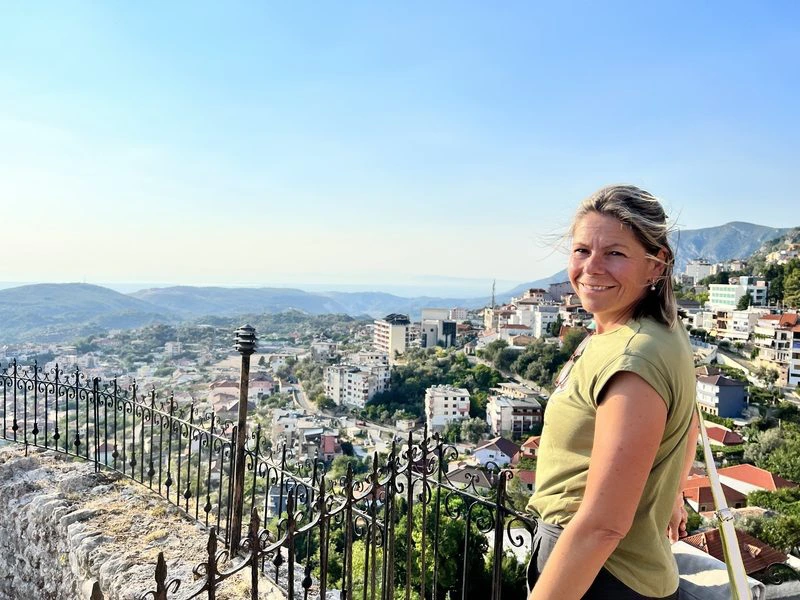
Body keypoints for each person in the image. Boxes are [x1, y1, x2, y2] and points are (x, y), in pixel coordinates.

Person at [526, 185, 699, 599]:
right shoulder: (655, 331)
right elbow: (690, 423)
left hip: (597, 571)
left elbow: (602, 527)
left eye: (615, 253)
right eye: (582, 250)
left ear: (656, 265)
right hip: (610, 565)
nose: (592, 267)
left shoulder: (633, 357)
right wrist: (669, 491)